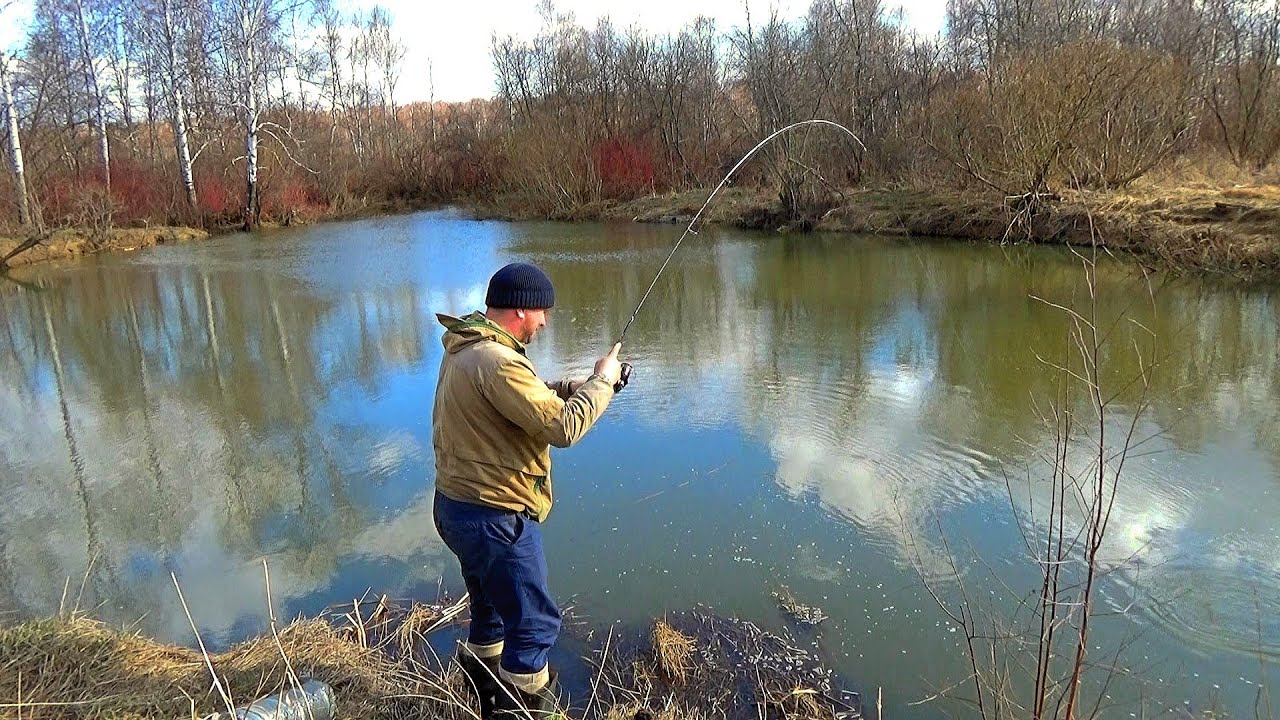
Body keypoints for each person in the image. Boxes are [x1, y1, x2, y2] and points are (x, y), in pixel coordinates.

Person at [431, 262, 629, 717]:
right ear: (521, 309)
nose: (545, 322)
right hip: (494, 518)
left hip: (457, 509)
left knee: (491, 611)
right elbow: (564, 427)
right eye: (543, 312)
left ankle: (482, 699)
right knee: (535, 625)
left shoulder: (470, 345)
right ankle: (520, 709)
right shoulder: (498, 361)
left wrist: (570, 386)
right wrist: (602, 380)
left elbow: (522, 398)